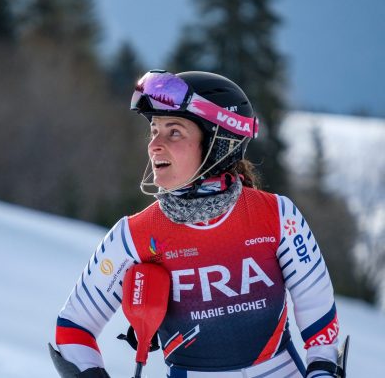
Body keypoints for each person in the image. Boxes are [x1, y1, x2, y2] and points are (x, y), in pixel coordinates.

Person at [49, 70, 342, 377]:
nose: (155, 145)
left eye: (173, 132)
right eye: (154, 131)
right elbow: (73, 329)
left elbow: (319, 321)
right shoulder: (135, 235)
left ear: (219, 143)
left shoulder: (277, 216)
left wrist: (323, 369)